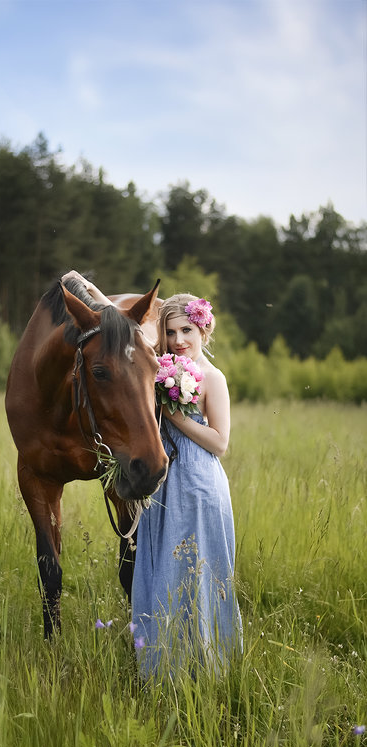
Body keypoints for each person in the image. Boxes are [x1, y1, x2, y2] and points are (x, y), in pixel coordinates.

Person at [61, 271, 242, 678]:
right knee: (159, 570)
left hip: (198, 484)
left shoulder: (213, 378)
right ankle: (160, 667)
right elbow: (115, 321)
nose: (179, 340)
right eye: (172, 331)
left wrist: (176, 419)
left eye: (187, 331)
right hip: (162, 488)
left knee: (197, 575)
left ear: (203, 331)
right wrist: (88, 287)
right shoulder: (157, 366)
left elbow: (220, 443)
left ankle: (207, 668)